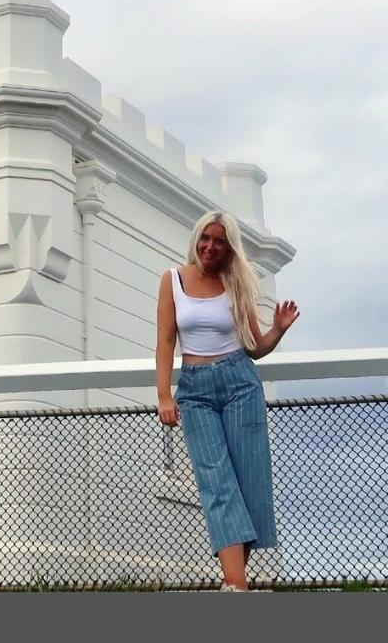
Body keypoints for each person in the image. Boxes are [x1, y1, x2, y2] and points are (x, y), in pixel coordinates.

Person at [156, 210, 299, 591]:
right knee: (217, 484)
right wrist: (164, 395)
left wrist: (278, 331)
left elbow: (254, 348)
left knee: (248, 482)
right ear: (196, 239)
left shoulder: (234, 284)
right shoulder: (172, 280)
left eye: (219, 241)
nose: (210, 246)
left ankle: (234, 586)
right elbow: (166, 341)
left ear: (228, 248)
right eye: (205, 238)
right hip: (196, 391)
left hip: (240, 384)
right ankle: (237, 586)